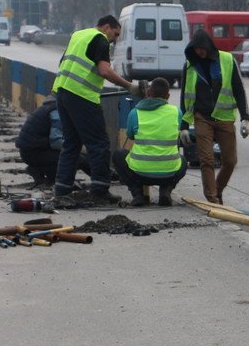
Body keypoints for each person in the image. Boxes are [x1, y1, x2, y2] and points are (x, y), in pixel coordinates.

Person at [51, 14, 140, 203]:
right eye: (115, 34)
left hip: (62, 92)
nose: (114, 40)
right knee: (99, 143)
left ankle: (62, 188)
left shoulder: (78, 35)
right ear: (107, 27)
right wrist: (128, 86)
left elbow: (63, 63)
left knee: (71, 143)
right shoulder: (100, 39)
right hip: (82, 96)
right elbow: (104, 70)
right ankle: (100, 189)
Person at [179, 28, 249, 205]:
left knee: (230, 161)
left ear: (209, 46)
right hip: (202, 117)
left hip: (224, 117)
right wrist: (183, 126)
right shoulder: (189, 65)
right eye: (196, 49)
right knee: (206, 160)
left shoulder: (226, 60)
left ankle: (217, 190)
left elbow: (238, 90)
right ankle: (212, 199)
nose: (199, 52)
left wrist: (245, 117)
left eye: (202, 48)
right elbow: (184, 96)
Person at [112, 77, 186, 207]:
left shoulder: (135, 113)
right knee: (183, 161)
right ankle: (165, 191)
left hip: (138, 174)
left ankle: (138, 195)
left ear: (149, 93)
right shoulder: (176, 112)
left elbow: (130, 135)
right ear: (168, 96)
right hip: (169, 173)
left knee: (118, 155)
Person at [15, 95, 89, 187]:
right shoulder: (56, 111)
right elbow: (56, 142)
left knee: (73, 155)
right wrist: (80, 149)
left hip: (30, 152)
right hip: (35, 153)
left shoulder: (48, 108)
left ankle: (44, 174)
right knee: (76, 158)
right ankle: (103, 176)